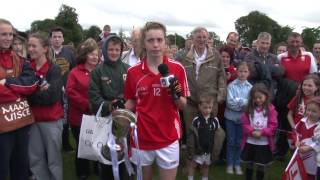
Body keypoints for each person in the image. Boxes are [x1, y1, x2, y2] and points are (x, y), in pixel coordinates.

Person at [124, 21, 189, 180]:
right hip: (142, 138)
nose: (155, 45)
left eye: (159, 40)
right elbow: (131, 102)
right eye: (150, 40)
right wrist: (119, 111)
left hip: (168, 137)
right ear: (144, 43)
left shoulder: (177, 68)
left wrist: (175, 94)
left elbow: (183, 105)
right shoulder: (133, 72)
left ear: (165, 42)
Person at [180, 27, 226, 164]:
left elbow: (222, 77)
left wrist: (220, 96)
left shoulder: (216, 55)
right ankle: (191, 160)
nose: (201, 39)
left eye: (204, 37)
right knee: (191, 133)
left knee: (207, 133)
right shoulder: (184, 56)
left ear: (207, 39)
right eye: (198, 37)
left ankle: (205, 160)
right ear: (193, 38)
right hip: (190, 102)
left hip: (209, 103)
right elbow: (179, 77)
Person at [0, 18, 37, 180]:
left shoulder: (20, 60)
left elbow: (31, 84)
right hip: (2, 126)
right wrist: (17, 94)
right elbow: (24, 88)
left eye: (10, 34)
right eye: (3, 34)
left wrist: (7, 84)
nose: (8, 38)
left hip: (21, 121)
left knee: (21, 165)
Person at [89, 35, 129, 180]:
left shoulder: (128, 69)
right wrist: (109, 105)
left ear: (121, 50)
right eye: (110, 49)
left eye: (117, 49)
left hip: (124, 121)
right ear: (105, 50)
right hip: (106, 122)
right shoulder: (97, 71)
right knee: (107, 159)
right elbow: (94, 97)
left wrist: (124, 103)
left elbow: (133, 94)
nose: (114, 52)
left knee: (124, 157)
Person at [27, 32, 64, 180]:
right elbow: (22, 91)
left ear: (44, 49)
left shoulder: (53, 69)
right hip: (32, 120)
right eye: (28, 45)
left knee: (53, 159)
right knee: (35, 158)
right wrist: (36, 92)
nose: (30, 49)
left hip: (51, 121)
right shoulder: (27, 67)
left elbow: (52, 96)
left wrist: (30, 93)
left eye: (34, 46)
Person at [66, 38, 99, 180]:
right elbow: (70, 92)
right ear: (85, 55)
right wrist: (87, 104)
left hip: (98, 116)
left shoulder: (101, 70)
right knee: (82, 145)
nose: (95, 57)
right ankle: (83, 171)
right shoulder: (75, 72)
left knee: (98, 142)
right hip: (79, 116)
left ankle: (98, 168)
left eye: (96, 54)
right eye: (91, 54)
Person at [241, 83, 278, 180]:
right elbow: (244, 124)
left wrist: (262, 132)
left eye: (260, 97)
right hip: (250, 141)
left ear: (266, 96)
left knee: (261, 164)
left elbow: (273, 125)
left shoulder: (271, 110)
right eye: (255, 98)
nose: (257, 100)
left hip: (263, 143)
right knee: (249, 163)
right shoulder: (248, 109)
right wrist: (252, 131)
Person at [50, 27, 76, 153]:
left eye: (59, 37)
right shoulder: (46, 52)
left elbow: (75, 71)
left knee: (65, 119)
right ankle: (51, 145)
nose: (57, 39)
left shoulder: (69, 53)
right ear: (50, 39)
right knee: (52, 119)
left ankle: (65, 144)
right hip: (50, 91)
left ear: (63, 38)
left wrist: (70, 86)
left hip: (66, 92)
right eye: (54, 36)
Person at [224, 61, 252, 175]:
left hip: (243, 119)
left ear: (249, 73)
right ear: (236, 72)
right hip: (230, 118)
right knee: (231, 141)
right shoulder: (231, 86)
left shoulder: (251, 87)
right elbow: (230, 103)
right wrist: (243, 103)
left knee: (240, 141)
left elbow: (250, 104)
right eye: (240, 71)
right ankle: (230, 164)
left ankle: (237, 163)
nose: (242, 74)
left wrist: (238, 101)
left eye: (245, 71)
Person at [187, 96, 220, 180]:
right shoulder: (196, 120)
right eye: (205, 107)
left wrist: (215, 148)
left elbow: (217, 134)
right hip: (198, 148)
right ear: (200, 107)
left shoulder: (215, 120)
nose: (207, 110)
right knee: (193, 164)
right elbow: (192, 134)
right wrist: (192, 147)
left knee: (206, 166)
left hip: (208, 148)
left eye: (210, 108)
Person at [294, 97, 320, 180]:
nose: (310, 113)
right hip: (300, 153)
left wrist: (310, 147)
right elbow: (295, 133)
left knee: (310, 174)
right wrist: (296, 141)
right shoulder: (302, 122)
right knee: (298, 172)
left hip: (313, 157)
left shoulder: (318, 126)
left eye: (314, 111)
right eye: (308, 110)